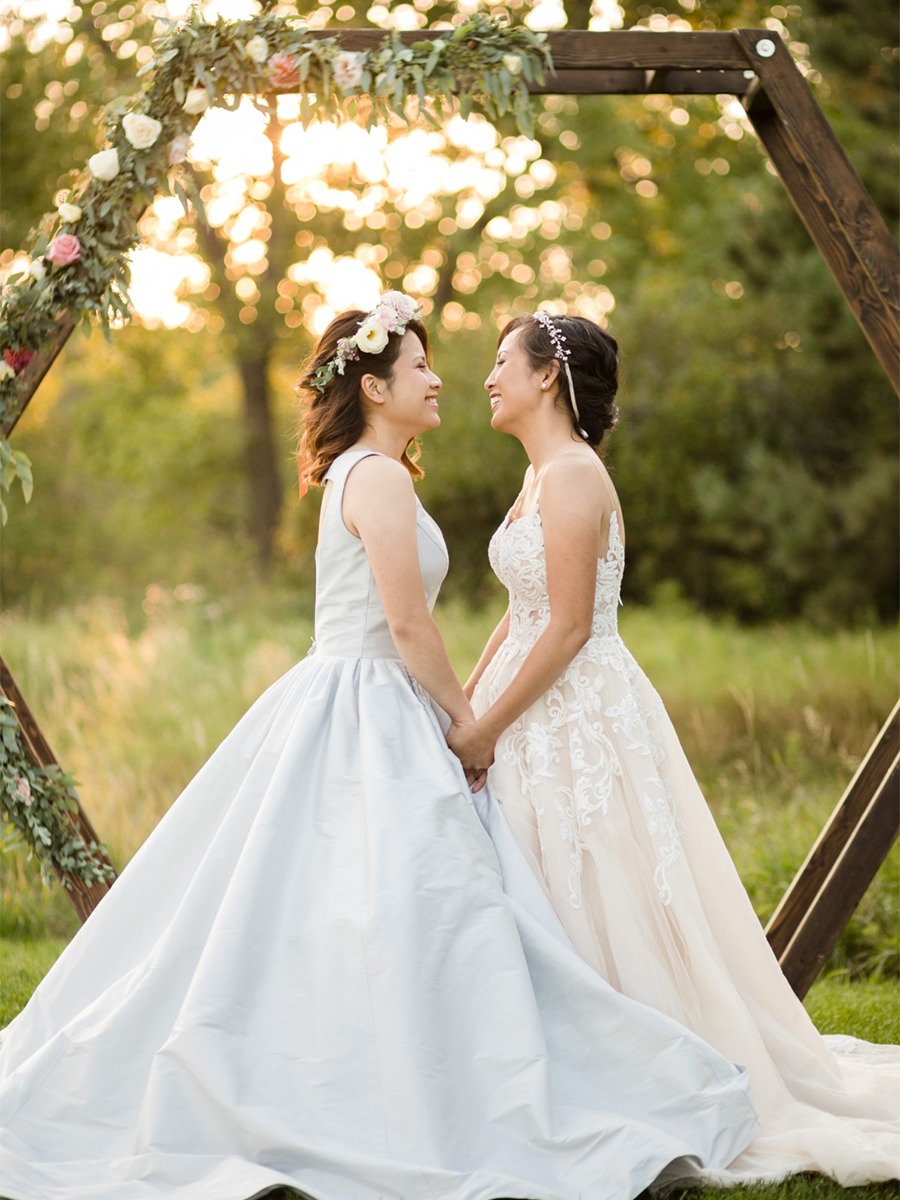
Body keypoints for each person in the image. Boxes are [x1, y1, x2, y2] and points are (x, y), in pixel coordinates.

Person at [0, 293, 760, 1200]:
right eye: (420, 368)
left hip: (359, 697)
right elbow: (405, 623)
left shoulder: (373, 473)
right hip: (368, 701)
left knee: (364, 898)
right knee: (404, 895)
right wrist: (462, 725)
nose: (443, 379)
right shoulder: (382, 478)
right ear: (373, 384)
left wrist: (465, 718)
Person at [448, 308, 900, 1185]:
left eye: (502, 360)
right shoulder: (537, 476)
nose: (489, 377)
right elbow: (521, 611)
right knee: (541, 891)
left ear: (548, 375)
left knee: (601, 887)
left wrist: (488, 729)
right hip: (532, 712)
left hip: (584, 718)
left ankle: (642, 1075)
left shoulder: (575, 475)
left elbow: (572, 625)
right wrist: (464, 705)